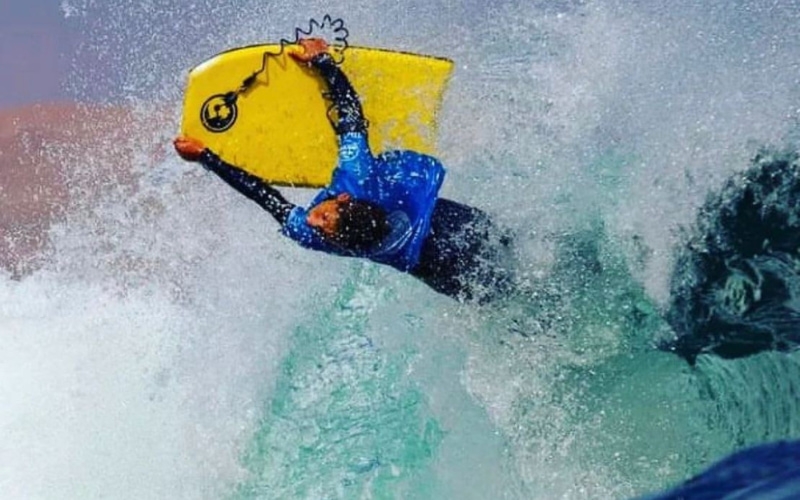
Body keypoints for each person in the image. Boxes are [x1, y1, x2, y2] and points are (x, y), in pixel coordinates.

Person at [174, 38, 514, 303]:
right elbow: (350, 115)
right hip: (454, 230)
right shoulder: (356, 180)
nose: (312, 219)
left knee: (505, 292)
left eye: (323, 221)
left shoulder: (327, 224)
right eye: (324, 222)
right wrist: (323, 61)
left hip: (439, 270)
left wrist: (207, 156)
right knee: (515, 250)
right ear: (343, 201)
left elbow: (264, 197)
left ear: (343, 199)